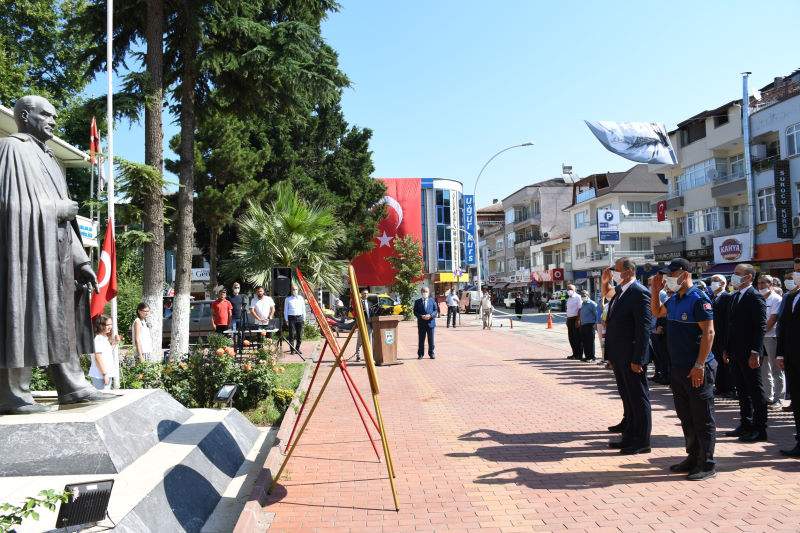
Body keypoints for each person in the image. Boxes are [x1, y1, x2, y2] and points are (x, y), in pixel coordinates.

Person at [0, 95, 112, 414]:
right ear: (24, 115)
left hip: (58, 256)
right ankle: (13, 394)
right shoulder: (12, 149)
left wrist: (82, 262)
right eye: (45, 114)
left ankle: (72, 385)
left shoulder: (49, 157)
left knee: (61, 319)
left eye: (54, 115)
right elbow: (7, 205)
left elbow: (66, 222)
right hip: (25, 256)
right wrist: (56, 209)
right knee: (22, 316)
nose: (52, 120)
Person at [651, 258, 718, 481]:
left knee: (703, 417)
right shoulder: (674, 299)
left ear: (685, 274)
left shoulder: (699, 299)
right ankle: (693, 456)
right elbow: (657, 312)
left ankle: (706, 463)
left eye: (672, 274)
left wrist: (700, 364)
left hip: (697, 368)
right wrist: (655, 290)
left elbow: (709, 333)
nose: (668, 278)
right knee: (686, 417)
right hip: (678, 368)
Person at [600, 257, 652, 455]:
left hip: (632, 356)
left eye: (617, 270)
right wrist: (605, 281)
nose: (614, 272)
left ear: (629, 272)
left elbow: (644, 329)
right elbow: (607, 294)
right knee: (627, 397)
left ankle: (642, 440)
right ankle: (629, 436)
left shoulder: (639, 293)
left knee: (638, 398)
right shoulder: (622, 291)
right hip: (620, 355)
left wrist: (638, 358)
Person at [723, 263, 768, 442]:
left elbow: (760, 327)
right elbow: (730, 326)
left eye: (737, 274)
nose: (733, 277)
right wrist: (726, 348)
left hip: (749, 353)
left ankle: (760, 428)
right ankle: (745, 424)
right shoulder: (735, 297)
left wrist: (755, 352)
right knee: (742, 390)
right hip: (735, 351)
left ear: (748, 277)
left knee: (755, 391)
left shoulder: (755, 297)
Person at [776, 261, 800, 456]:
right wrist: (781, 353)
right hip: (792, 359)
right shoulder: (792, 298)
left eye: (799, 272)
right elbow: (784, 328)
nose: (796, 275)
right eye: (795, 271)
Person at [758, 275, 785, 410]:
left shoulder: (776, 299)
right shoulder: (760, 298)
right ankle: (768, 396)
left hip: (771, 337)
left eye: (763, 283)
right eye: (759, 283)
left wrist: (761, 332)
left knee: (776, 369)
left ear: (771, 284)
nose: (761, 285)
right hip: (761, 337)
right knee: (764, 368)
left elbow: (773, 318)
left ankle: (780, 398)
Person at [710, 275, 735, 398]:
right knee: (718, 363)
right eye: (712, 281)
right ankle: (720, 386)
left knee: (726, 363)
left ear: (723, 283)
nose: (713, 283)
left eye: (715, 281)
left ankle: (730, 388)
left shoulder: (727, 297)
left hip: (723, 336)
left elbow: (727, 320)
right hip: (714, 337)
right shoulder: (713, 298)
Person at [89, 314, 120, 391]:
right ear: (101, 325)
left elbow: (106, 353)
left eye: (111, 324)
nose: (110, 327)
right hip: (100, 375)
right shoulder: (98, 339)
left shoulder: (103, 338)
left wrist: (115, 343)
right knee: (103, 398)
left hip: (104, 374)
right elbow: (98, 357)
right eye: (107, 325)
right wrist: (104, 374)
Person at [648, 277, 670, 385]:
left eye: (650, 283)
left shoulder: (662, 294)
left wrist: (659, 325)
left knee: (662, 355)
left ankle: (665, 375)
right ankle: (658, 373)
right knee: (656, 355)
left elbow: (661, 312)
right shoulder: (652, 292)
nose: (649, 285)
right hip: (652, 327)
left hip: (658, 328)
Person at [414, 286, 438, 359]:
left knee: (431, 340)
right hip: (421, 323)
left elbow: (436, 310)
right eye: (424, 291)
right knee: (421, 340)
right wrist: (421, 316)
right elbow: (415, 312)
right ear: (421, 293)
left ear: (429, 292)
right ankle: (420, 354)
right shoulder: (417, 302)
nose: (425, 293)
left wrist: (431, 315)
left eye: (426, 291)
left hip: (430, 323)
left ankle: (431, 353)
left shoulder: (432, 301)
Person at [285, 285, 306, 355]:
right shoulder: (288, 299)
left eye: (296, 289)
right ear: (291, 290)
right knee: (291, 335)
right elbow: (285, 310)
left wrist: (304, 318)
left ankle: (297, 348)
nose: (295, 291)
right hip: (291, 318)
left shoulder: (301, 298)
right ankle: (292, 350)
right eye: (294, 289)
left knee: (299, 334)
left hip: (299, 317)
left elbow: (303, 309)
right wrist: (286, 320)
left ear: (298, 290)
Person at [577, 290, 597, 362]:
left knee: (590, 341)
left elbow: (596, 315)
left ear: (588, 296)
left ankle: (592, 356)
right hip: (583, 325)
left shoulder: (592, 304)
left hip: (590, 325)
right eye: (582, 296)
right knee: (585, 341)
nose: (583, 298)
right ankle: (587, 356)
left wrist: (596, 325)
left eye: (584, 296)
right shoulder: (583, 304)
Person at [565, 284, 584, 360]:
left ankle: (579, 355)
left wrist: (578, 320)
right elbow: (568, 310)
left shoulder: (578, 297)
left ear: (575, 290)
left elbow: (580, 309)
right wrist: (567, 320)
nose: (569, 291)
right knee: (571, 338)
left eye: (571, 289)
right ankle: (574, 353)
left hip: (576, 319)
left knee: (578, 338)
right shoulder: (569, 298)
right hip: (569, 319)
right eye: (568, 289)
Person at [354, 289, 372, 362]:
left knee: (370, 341)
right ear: (361, 294)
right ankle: (358, 356)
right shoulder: (358, 303)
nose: (366, 295)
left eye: (367, 293)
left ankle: (369, 356)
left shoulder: (370, 303)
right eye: (364, 293)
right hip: (361, 324)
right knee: (360, 340)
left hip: (369, 324)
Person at [227, 282, 245, 351]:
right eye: (235, 287)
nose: (237, 289)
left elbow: (242, 306)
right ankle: (233, 348)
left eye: (238, 288)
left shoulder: (241, 297)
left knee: (240, 333)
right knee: (233, 334)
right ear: (232, 288)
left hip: (240, 318)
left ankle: (240, 348)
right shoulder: (229, 297)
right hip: (232, 318)